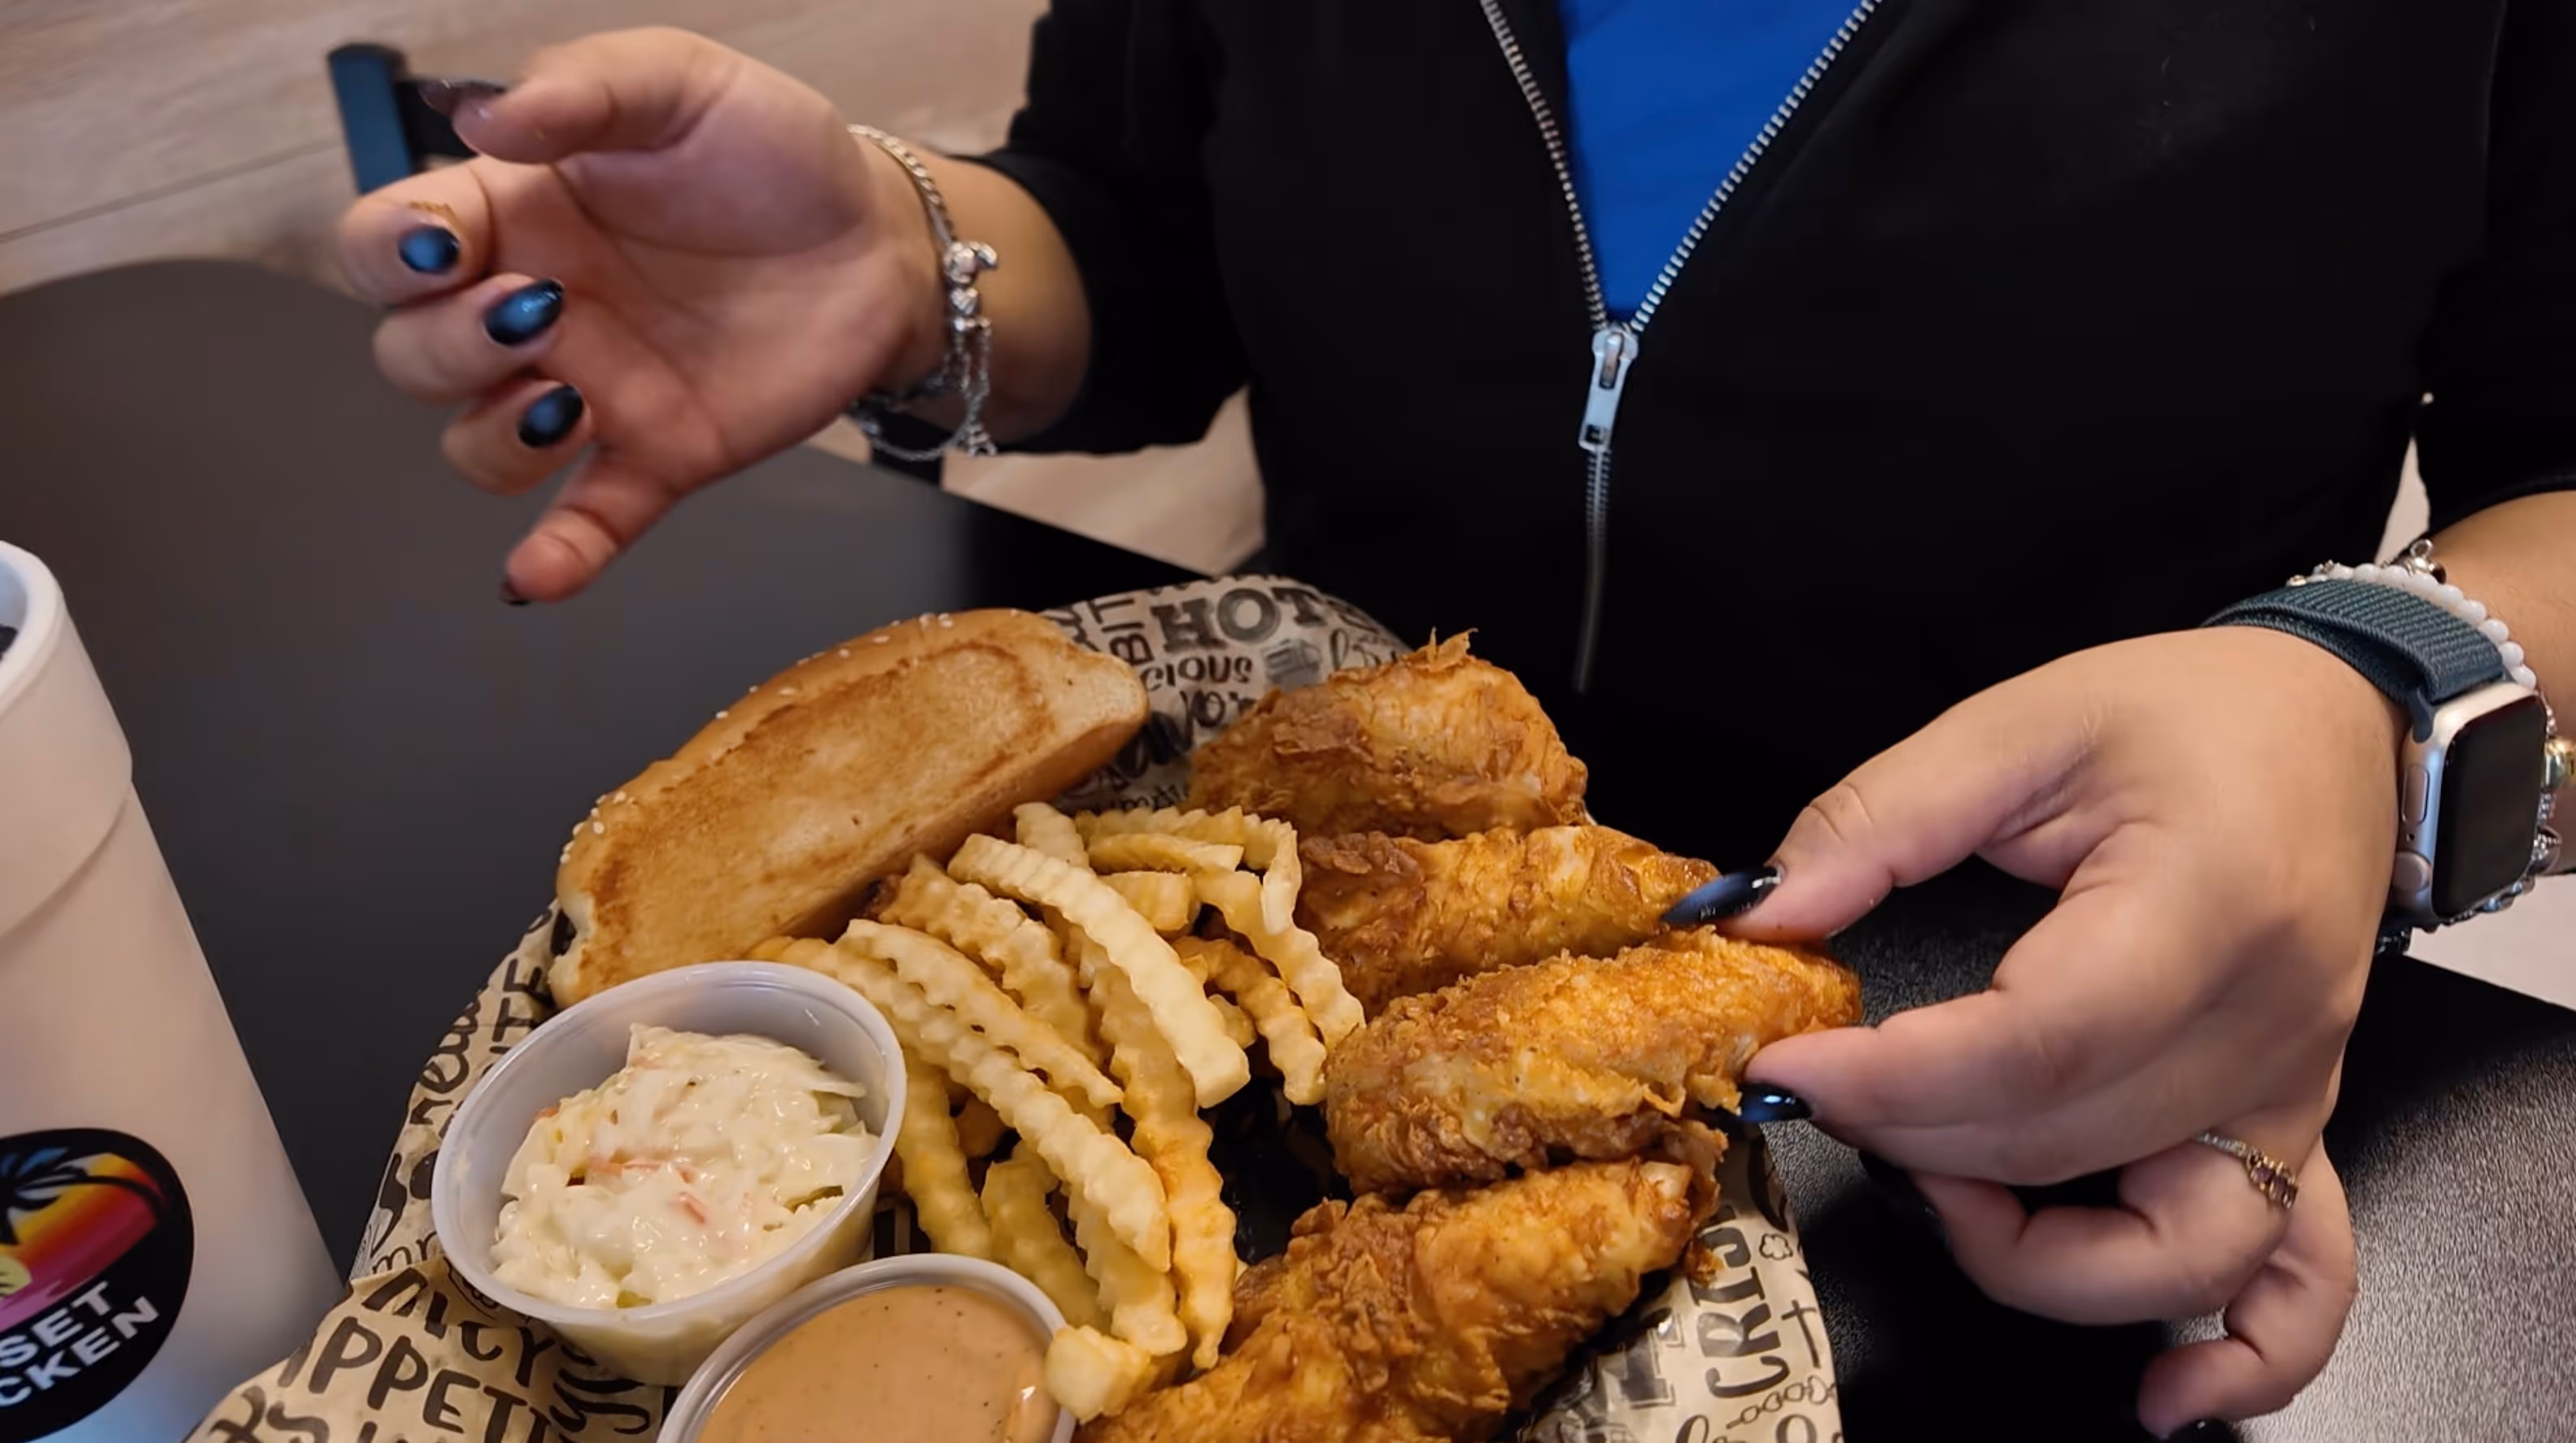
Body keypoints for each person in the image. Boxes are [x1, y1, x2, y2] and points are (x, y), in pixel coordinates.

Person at [339, 8, 2575, 1433]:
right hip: (1318, 873)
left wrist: (2373, 698)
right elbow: (1136, 232)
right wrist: (912, 251)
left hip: (2082, 1015)